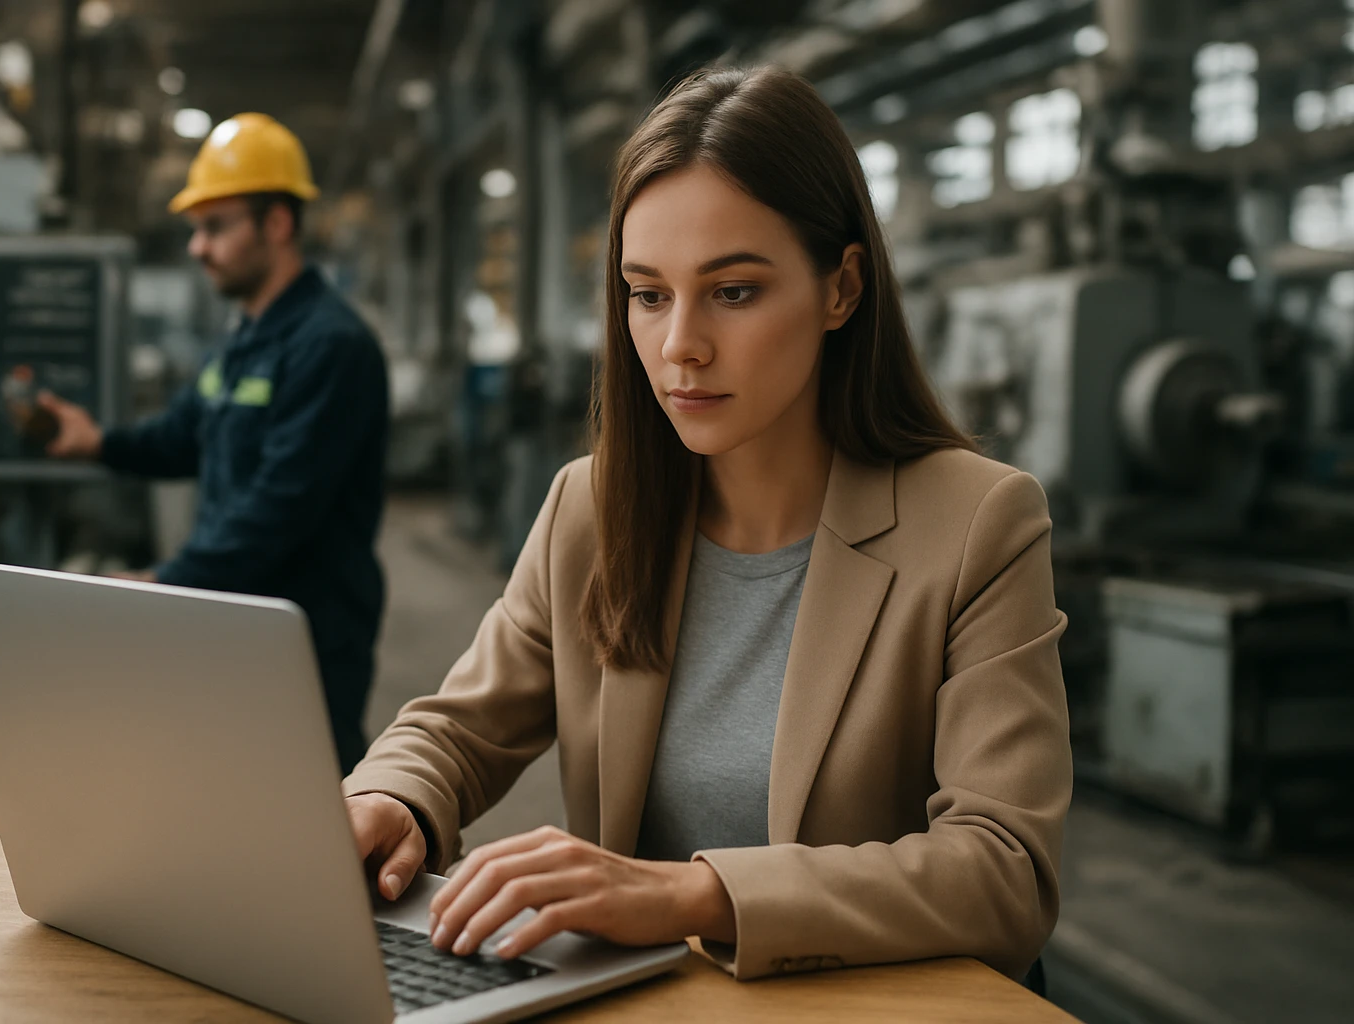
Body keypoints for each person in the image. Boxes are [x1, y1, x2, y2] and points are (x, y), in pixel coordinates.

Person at [342, 66, 1071, 982]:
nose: (679, 344)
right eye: (648, 294)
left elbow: (1004, 872)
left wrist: (694, 895)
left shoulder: (976, 526)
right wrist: (393, 799)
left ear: (843, 288)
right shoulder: (591, 510)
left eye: (732, 291)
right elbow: (457, 730)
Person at [39, 113, 388, 772]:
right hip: (233, 613)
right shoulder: (242, 341)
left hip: (304, 630)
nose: (198, 247)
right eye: (196, 229)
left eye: (216, 226)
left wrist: (167, 581)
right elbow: (183, 436)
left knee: (307, 798)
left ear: (277, 223)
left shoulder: (331, 346)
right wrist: (100, 444)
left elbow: (280, 505)